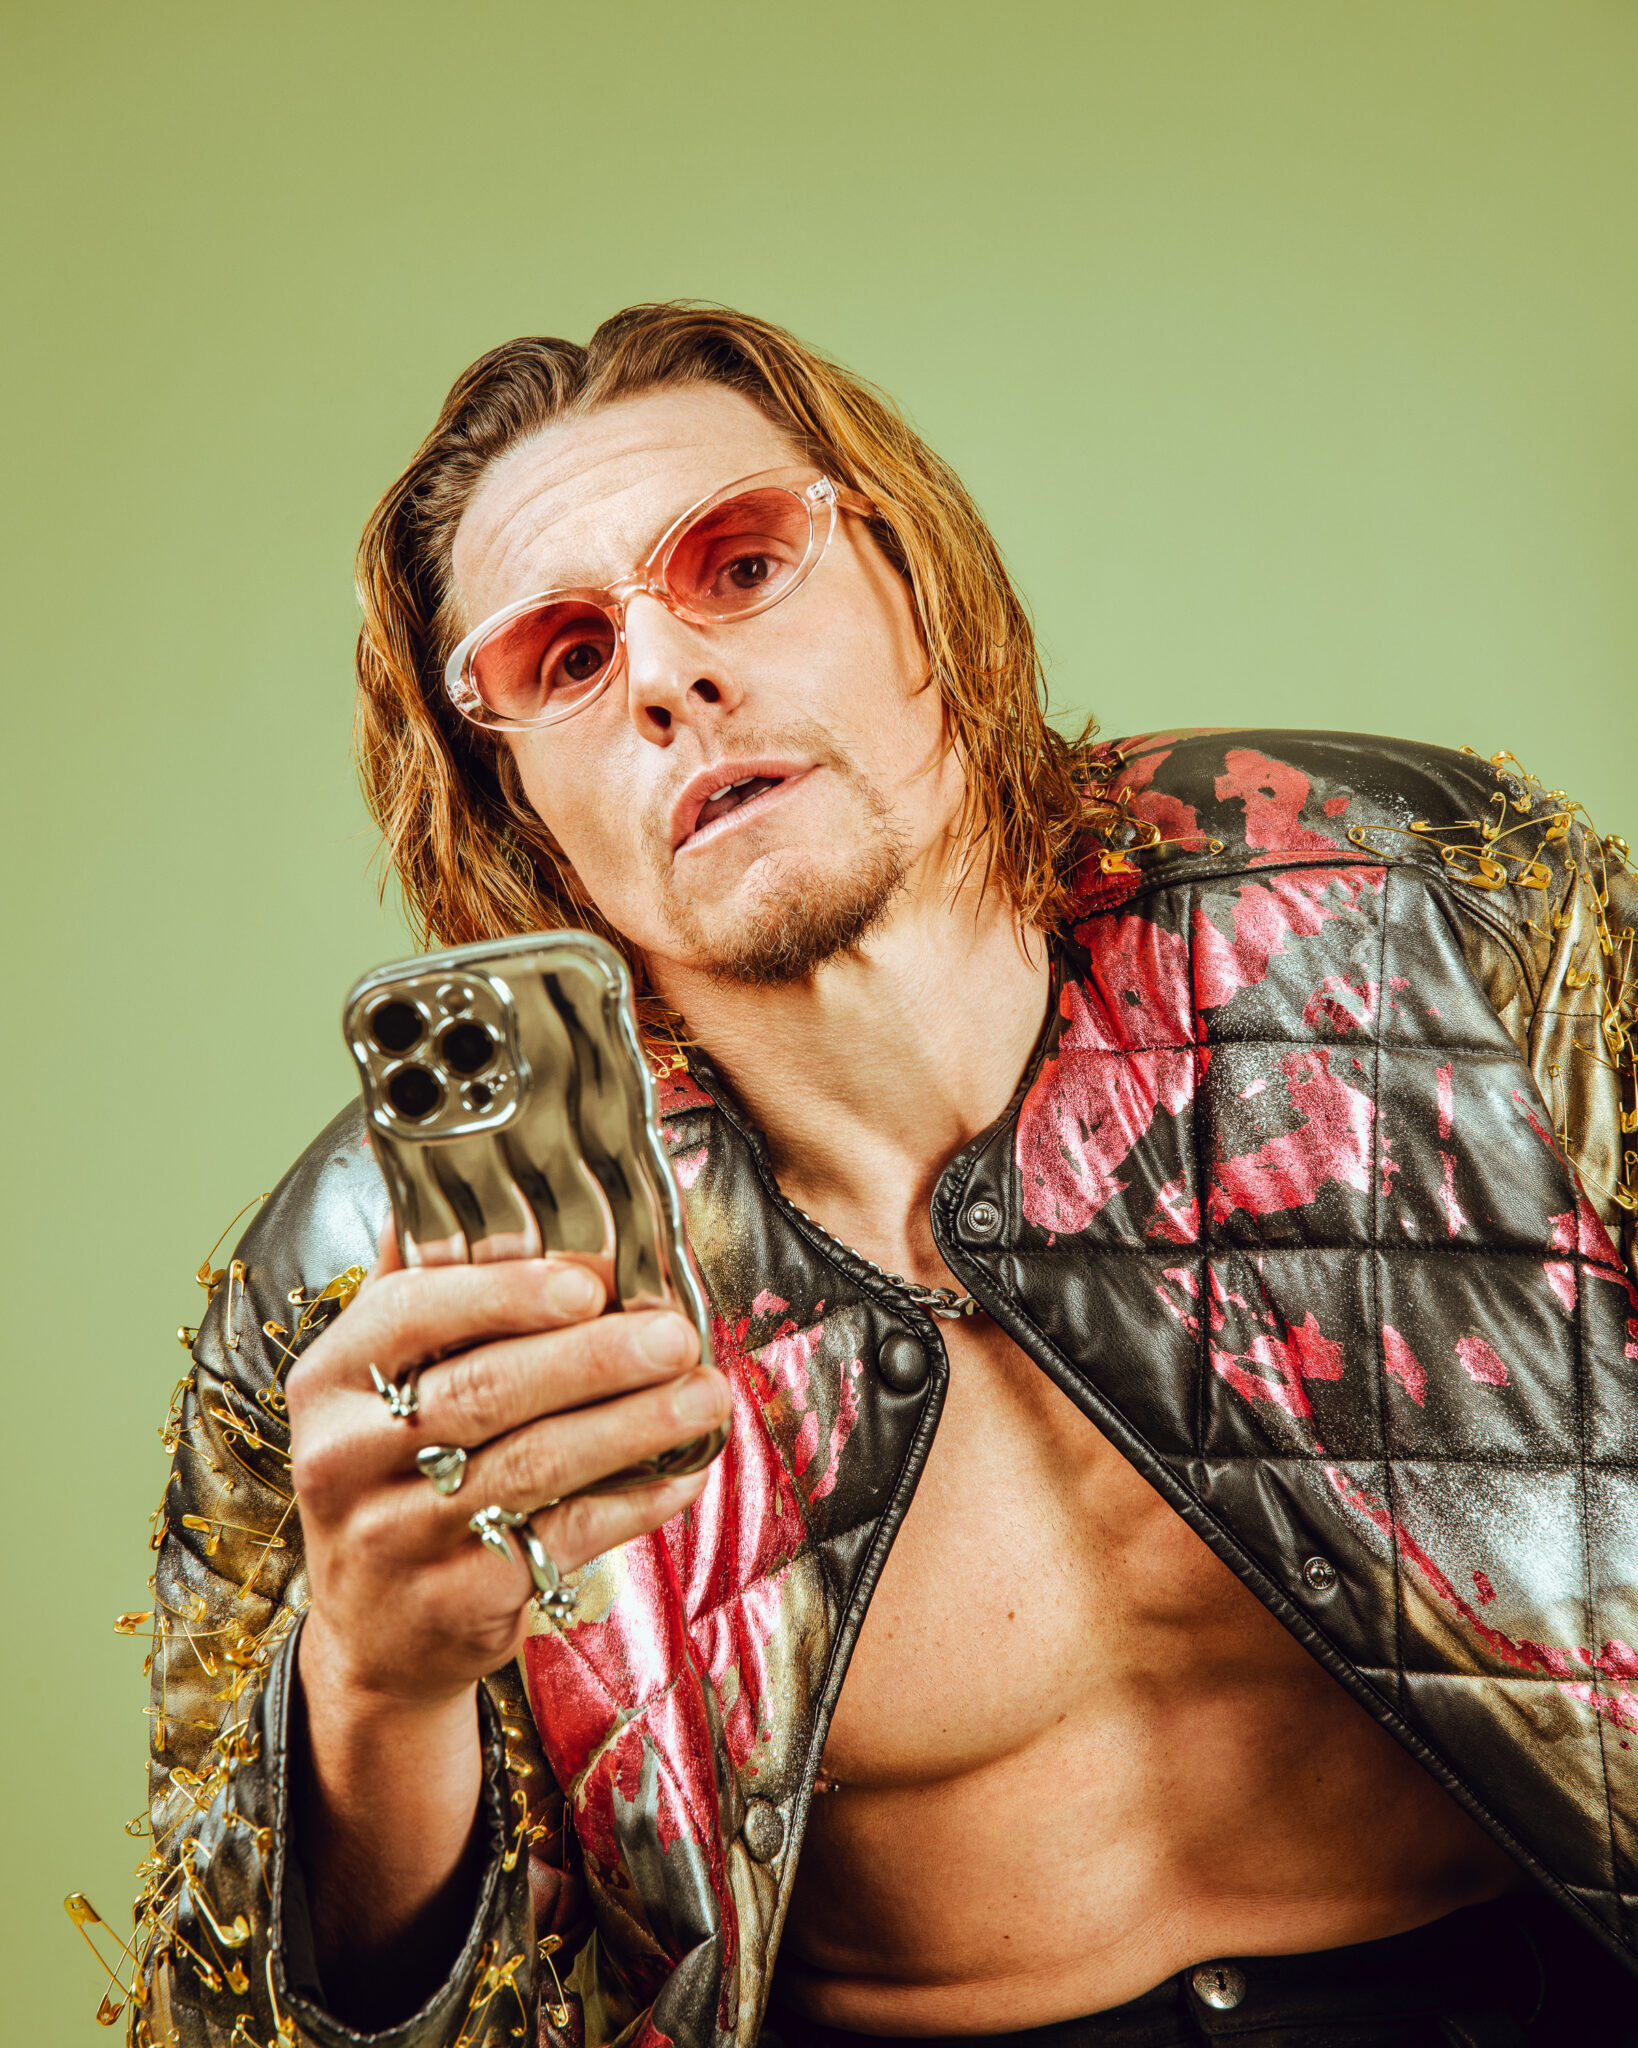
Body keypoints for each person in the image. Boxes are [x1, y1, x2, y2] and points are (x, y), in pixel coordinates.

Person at [130, 305, 1638, 2048]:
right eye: (565, 658)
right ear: (516, 803)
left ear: (918, 579)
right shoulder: (366, 1296)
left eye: (740, 563)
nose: (667, 677)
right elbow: (227, 2023)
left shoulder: (1433, 916)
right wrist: (372, 1692)